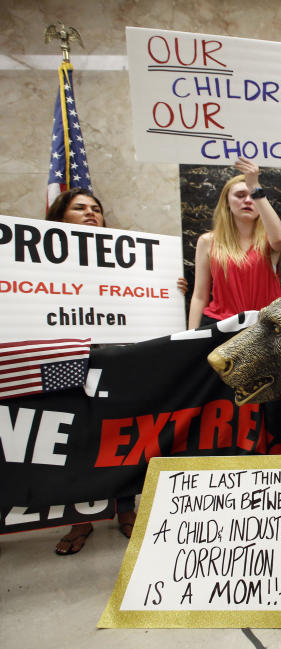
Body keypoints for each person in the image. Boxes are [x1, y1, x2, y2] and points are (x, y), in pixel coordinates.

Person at [45, 188, 185, 554]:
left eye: (96, 209)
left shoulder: (127, 258)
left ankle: (127, 511)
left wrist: (171, 289)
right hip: (68, 356)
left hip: (115, 358)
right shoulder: (40, 261)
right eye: (80, 208)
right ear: (60, 218)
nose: (91, 214)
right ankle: (80, 520)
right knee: (77, 437)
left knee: (123, 433)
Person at [188, 158, 281, 329]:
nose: (248, 200)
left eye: (253, 197)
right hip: (219, 325)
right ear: (227, 202)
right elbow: (199, 296)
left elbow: (279, 240)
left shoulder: (269, 240)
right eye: (240, 195)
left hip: (260, 329)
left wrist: (255, 186)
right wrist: (190, 337)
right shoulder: (207, 241)